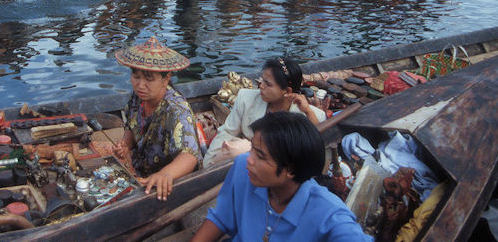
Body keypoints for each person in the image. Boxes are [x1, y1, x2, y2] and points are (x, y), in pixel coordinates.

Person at [191, 112, 368, 242]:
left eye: (260, 156)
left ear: (290, 170)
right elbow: (221, 218)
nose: (249, 160)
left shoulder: (329, 215)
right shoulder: (243, 168)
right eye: (252, 148)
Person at [113, 37, 201, 201]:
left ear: (166, 78)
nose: (140, 85)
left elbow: (190, 155)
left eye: (149, 78)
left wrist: (165, 174)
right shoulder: (138, 97)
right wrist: (125, 144)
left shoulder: (176, 110)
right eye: (136, 76)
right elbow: (132, 128)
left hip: (167, 185)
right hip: (141, 172)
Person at [204, 57, 324, 168]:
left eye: (268, 84)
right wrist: (208, 165)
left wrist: (308, 111)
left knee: (243, 148)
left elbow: (318, 145)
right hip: (247, 164)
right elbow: (227, 132)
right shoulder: (246, 98)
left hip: (281, 168)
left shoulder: (308, 114)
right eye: (262, 80)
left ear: (287, 91)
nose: (261, 86)